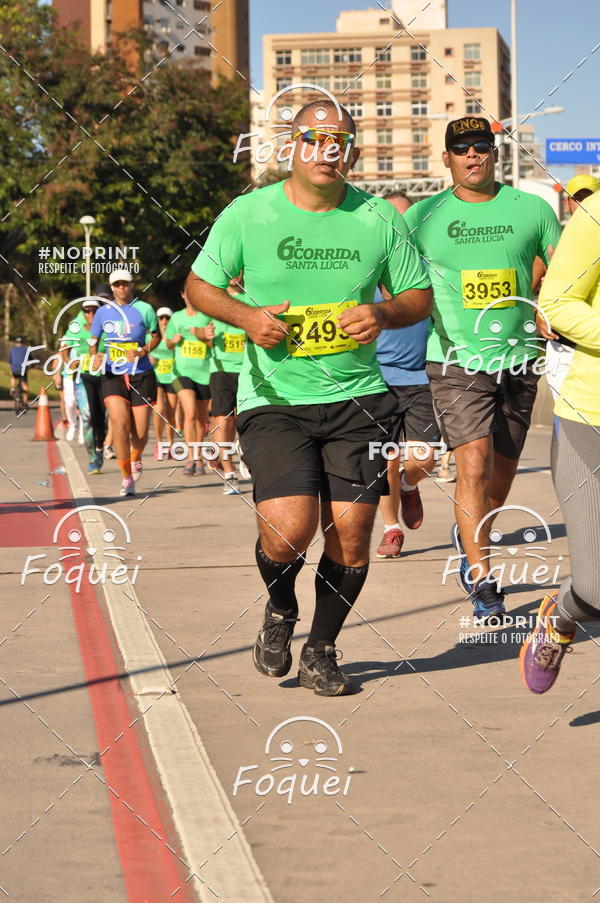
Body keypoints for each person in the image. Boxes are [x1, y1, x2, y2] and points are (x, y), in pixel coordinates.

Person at [186, 100, 432, 696]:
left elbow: (418, 295)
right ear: (292, 146)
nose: (329, 149)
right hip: (275, 398)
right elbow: (197, 286)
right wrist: (247, 317)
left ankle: (321, 647)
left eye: (340, 139)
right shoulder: (249, 213)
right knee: (288, 531)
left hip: (361, 399)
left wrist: (381, 311)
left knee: (351, 533)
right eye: (316, 138)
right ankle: (280, 609)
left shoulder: (377, 216)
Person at [403, 116, 562, 623]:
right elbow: (395, 280)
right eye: (462, 148)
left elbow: (560, 269)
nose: (473, 155)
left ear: (494, 154)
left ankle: (473, 530)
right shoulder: (423, 217)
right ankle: (482, 579)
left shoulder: (532, 209)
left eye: (482, 147)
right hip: (454, 359)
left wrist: (546, 303)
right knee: (471, 465)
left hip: (520, 358)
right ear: (446, 158)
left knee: (499, 472)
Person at [520, 187, 600, 693]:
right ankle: (561, 618)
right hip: (590, 417)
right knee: (595, 588)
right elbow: (558, 302)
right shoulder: (595, 214)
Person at [374, 193, 440, 559]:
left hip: (420, 379)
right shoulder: (365, 270)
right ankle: (391, 529)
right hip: (377, 380)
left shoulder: (428, 271)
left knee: (424, 458)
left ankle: (408, 485)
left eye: (404, 220)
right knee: (384, 456)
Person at [89, 270, 159, 496]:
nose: (121, 288)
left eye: (125, 284)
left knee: (140, 432)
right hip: (113, 374)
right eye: (117, 285)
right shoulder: (102, 312)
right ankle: (126, 476)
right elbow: (93, 340)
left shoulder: (145, 309)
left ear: (131, 285)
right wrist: (95, 355)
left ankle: (136, 457)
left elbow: (156, 336)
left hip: (141, 374)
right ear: (112, 288)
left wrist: (142, 350)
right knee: (119, 424)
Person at [542, 174, 600, 399]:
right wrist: (539, 313)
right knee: (567, 422)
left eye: (589, 198)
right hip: (562, 345)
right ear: (567, 203)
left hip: (591, 347)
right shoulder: (557, 238)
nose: (583, 204)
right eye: (577, 199)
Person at [165, 288, 213, 476]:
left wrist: (207, 338)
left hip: (204, 372)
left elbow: (212, 341)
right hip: (180, 373)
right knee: (190, 413)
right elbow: (167, 342)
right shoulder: (176, 318)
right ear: (183, 295)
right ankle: (190, 457)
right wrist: (173, 340)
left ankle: (198, 457)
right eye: (188, 294)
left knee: (201, 419)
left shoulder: (206, 317)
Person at [209, 274, 248, 495]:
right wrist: (204, 335)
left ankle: (246, 456)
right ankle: (229, 474)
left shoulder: (252, 300)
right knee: (224, 421)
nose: (234, 275)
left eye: (238, 270)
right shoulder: (213, 300)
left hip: (248, 369)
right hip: (221, 369)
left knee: (245, 420)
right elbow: (198, 329)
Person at [59, 298, 106, 474]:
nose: (91, 314)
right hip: (82, 377)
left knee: (104, 418)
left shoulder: (106, 329)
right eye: (87, 311)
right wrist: (68, 361)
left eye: (94, 310)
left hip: (105, 378)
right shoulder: (76, 328)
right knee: (87, 417)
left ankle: (100, 446)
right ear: (83, 313)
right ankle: (93, 459)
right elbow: (64, 348)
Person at [149, 306, 177, 459]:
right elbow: (144, 351)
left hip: (173, 377)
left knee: (172, 411)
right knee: (159, 409)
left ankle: (171, 443)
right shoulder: (152, 337)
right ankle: (159, 443)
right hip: (157, 377)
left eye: (167, 318)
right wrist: (149, 359)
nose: (164, 321)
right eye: (161, 318)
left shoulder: (175, 335)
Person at [9, 338, 29, 408]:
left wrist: (11, 369)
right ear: (22, 343)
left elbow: (10, 362)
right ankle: (25, 402)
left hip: (14, 369)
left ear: (16, 343)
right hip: (23, 370)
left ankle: (12, 387)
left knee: (13, 376)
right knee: (24, 385)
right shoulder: (26, 349)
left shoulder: (12, 350)